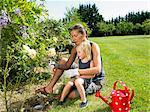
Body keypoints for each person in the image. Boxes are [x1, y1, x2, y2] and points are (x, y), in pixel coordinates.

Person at [36, 24, 104, 100]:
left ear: (83, 35)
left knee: (72, 95)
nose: (73, 39)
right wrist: (55, 65)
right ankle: (49, 88)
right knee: (63, 61)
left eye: (75, 36)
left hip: (94, 80)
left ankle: (63, 94)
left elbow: (97, 70)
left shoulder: (93, 46)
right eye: (72, 36)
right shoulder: (75, 49)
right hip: (81, 77)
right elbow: (67, 65)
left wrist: (76, 72)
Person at [58, 41, 94, 108]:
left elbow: (92, 75)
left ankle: (84, 100)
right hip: (79, 77)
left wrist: (80, 76)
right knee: (69, 83)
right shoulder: (80, 60)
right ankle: (61, 100)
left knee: (77, 81)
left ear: (86, 52)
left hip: (86, 80)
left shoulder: (90, 62)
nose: (78, 54)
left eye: (79, 52)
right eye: (77, 52)